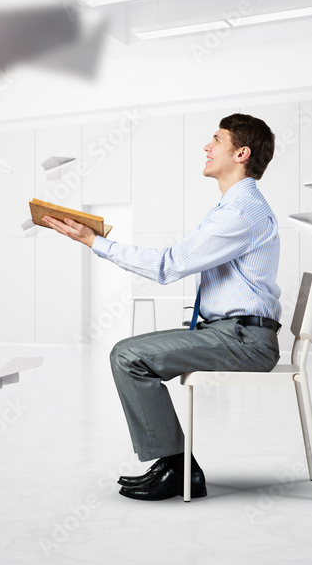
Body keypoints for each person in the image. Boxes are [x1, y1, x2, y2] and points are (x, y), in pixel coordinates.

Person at [43, 113, 282, 501]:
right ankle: (175, 465)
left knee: (127, 355)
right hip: (229, 332)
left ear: (241, 153)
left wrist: (93, 241)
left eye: (216, 140)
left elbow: (167, 265)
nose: (207, 147)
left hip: (245, 340)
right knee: (130, 353)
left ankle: (178, 468)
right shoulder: (232, 208)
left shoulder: (240, 212)